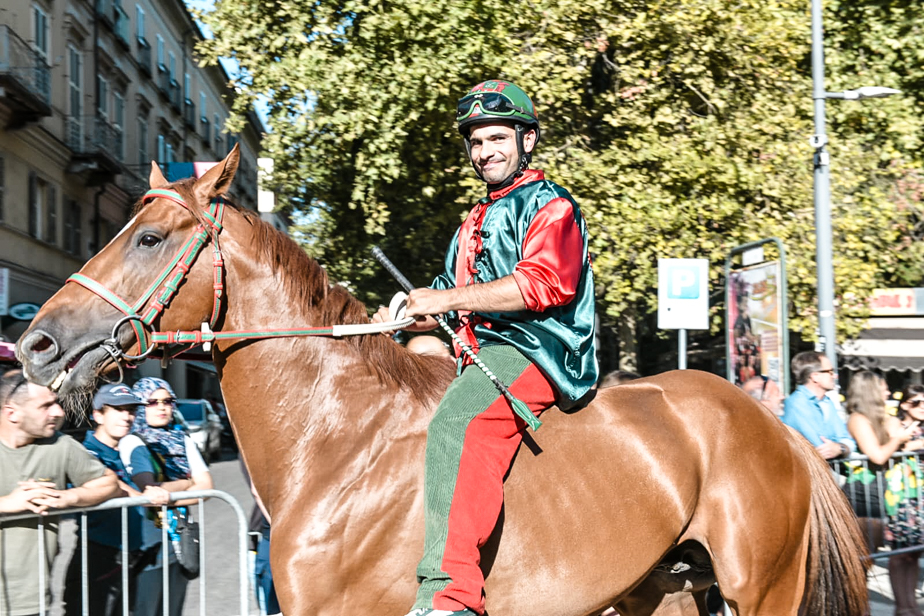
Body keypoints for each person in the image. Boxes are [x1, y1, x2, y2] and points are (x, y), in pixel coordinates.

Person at [376, 80, 597, 616]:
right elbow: (448, 299)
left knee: (457, 421)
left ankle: (450, 597)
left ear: (527, 140)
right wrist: (404, 314)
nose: (484, 152)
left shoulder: (552, 205)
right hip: (475, 352)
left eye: (497, 138)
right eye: (476, 142)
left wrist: (445, 298)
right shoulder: (471, 221)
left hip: (537, 349)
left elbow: (542, 284)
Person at [0, 369, 120, 616]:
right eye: (46, 406)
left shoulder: (59, 444)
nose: (59, 412)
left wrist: (67, 497)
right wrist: (7, 503)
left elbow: (108, 483)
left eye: (56, 403)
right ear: (12, 414)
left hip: (31, 600)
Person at [63, 383, 167, 616]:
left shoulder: (127, 451)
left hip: (128, 555)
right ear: (98, 415)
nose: (127, 417)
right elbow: (107, 484)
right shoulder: (86, 452)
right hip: (99, 556)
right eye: (118, 410)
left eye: (131, 410)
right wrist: (143, 497)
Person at [121, 377, 213, 616]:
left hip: (178, 538)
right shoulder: (132, 441)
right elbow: (148, 490)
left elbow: (206, 488)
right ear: (139, 405)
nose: (162, 407)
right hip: (147, 544)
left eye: (167, 401)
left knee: (173, 610)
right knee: (145, 609)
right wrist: (187, 484)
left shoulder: (182, 439)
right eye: (152, 402)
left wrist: (167, 497)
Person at [846, 373, 924, 616]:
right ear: (870, 390)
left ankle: (906, 608)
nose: (888, 393)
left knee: (893, 554)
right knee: (861, 560)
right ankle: (856, 608)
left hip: (887, 495)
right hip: (864, 495)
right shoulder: (858, 419)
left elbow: (898, 446)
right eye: (884, 388)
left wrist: (901, 438)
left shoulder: (885, 419)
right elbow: (878, 456)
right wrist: (899, 439)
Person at [780, 351, 855, 459]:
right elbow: (820, 447)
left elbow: (848, 441)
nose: (835, 376)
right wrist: (840, 447)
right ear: (815, 376)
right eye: (830, 372)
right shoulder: (796, 404)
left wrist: (840, 448)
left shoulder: (827, 402)